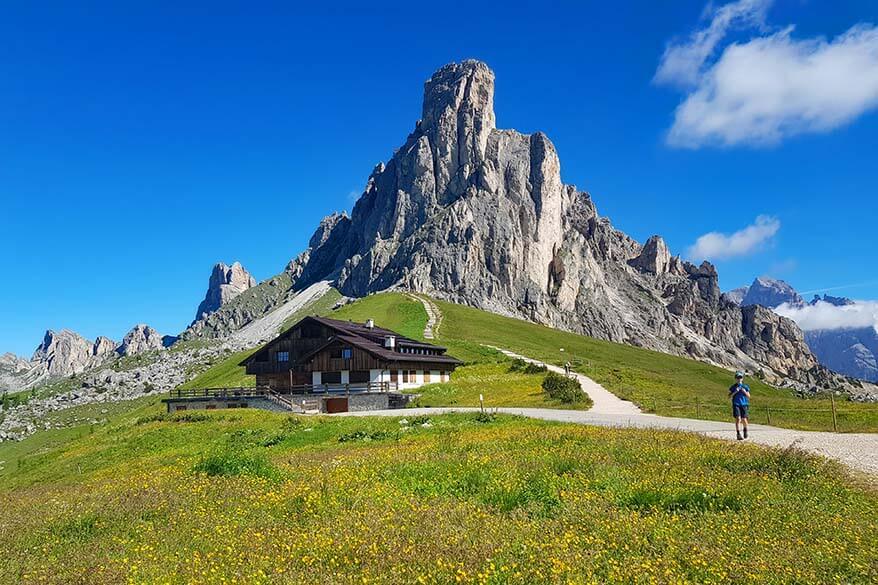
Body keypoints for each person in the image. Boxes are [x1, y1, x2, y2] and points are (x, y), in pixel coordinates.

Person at [729, 371, 750, 440]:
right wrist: (735, 391)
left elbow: (749, 396)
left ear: (742, 379)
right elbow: (729, 396)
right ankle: (738, 433)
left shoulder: (745, 387)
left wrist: (744, 391)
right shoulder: (733, 387)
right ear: (735, 378)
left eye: (740, 377)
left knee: (744, 419)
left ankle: (745, 430)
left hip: (744, 404)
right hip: (736, 404)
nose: (739, 379)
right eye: (738, 377)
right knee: (738, 418)